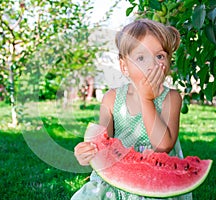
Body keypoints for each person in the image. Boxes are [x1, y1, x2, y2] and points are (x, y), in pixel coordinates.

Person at [72, 19, 192, 200]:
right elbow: (102, 144)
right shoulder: (111, 98)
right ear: (124, 66)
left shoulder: (171, 98)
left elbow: (164, 145)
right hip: (115, 180)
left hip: (154, 180)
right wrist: (87, 154)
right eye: (141, 58)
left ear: (168, 62)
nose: (151, 65)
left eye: (159, 56)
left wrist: (146, 99)